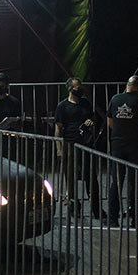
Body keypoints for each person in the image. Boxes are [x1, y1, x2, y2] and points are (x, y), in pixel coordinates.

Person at [106, 75, 138, 227]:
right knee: (135, 182)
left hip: (117, 144)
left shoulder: (115, 99)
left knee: (116, 182)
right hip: (135, 145)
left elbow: (110, 122)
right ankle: (135, 218)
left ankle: (112, 217)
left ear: (127, 85)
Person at [53, 77, 102, 218]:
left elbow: (94, 120)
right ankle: (74, 207)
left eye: (80, 86)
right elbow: (58, 129)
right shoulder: (62, 106)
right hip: (70, 144)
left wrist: (90, 122)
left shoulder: (85, 103)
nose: (80, 89)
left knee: (91, 177)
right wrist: (59, 149)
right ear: (70, 89)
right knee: (71, 178)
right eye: (77, 87)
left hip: (86, 144)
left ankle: (96, 209)